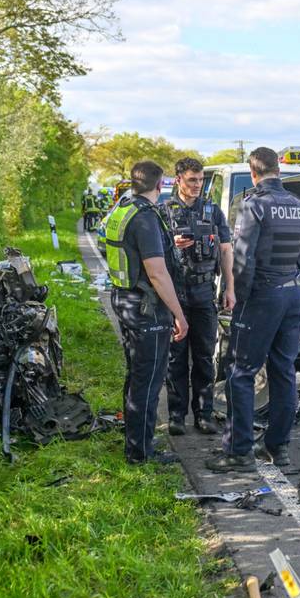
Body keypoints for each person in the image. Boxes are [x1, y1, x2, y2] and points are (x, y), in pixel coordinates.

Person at [206, 147, 300, 473]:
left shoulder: (254, 206)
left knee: (241, 373)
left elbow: (243, 260)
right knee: (284, 372)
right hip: (293, 296)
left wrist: (238, 298)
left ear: (253, 173)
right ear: (278, 170)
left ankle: (238, 451)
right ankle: (277, 447)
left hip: (263, 298)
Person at [105, 160, 188, 465]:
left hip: (125, 299)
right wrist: (179, 314)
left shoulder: (123, 209)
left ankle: (135, 440)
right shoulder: (145, 218)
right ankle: (140, 452)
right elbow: (157, 273)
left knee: (137, 375)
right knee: (149, 380)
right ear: (159, 184)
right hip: (147, 309)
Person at [159, 157, 234, 436]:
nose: (197, 185)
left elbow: (226, 250)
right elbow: (151, 254)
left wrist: (230, 288)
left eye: (200, 180)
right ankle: (177, 415)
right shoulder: (163, 211)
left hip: (204, 293)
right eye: (192, 180)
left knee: (204, 357)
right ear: (178, 179)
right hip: (174, 293)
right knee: (176, 357)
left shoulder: (213, 211)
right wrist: (172, 243)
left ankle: (204, 414)